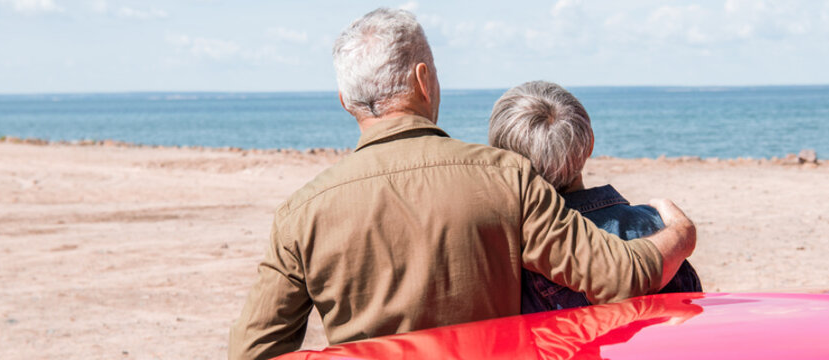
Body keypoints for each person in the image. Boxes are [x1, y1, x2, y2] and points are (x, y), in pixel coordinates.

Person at [228, 8, 697, 360]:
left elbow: (253, 352)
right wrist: (679, 233)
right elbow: (617, 275)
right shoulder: (503, 176)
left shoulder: (301, 214)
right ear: (423, 78)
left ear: (345, 100)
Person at [488, 81, 703, 314]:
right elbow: (688, 314)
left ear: (502, 157)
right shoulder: (659, 229)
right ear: (590, 143)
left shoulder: (504, 249)